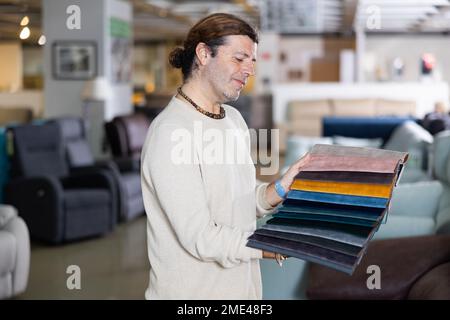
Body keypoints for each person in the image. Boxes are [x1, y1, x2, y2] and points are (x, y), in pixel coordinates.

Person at [140, 13, 309, 300]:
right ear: (204, 54)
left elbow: (238, 205)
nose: (249, 70)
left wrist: (281, 187)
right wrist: (275, 245)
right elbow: (201, 237)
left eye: (252, 61)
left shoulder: (232, 119)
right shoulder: (170, 132)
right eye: (240, 58)